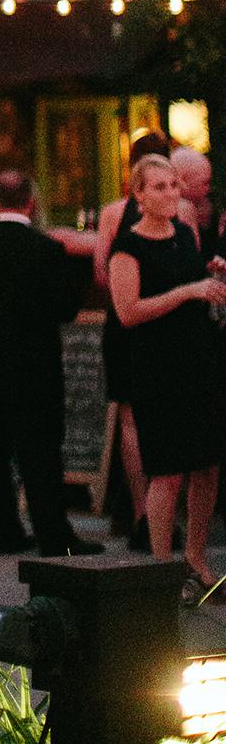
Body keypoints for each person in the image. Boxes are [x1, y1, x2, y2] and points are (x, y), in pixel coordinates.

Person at [0, 170, 102, 557]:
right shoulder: (47, 249)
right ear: (30, 202)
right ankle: (52, 533)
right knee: (42, 454)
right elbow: (66, 309)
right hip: (37, 370)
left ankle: (6, 533)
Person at [107, 153, 226, 602]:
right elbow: (128, 312)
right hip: (157, 367)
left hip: (198, 360)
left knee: (207, 465)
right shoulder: (128, 247)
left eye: (174, 185)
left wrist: (210, 276)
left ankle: (196, 557)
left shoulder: (184, 234)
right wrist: (186, 291)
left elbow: (195, 285)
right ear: (138, 195)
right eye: (159, 186)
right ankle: (162, 567)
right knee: (168, 471)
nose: (171, 193)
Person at [94, 130, 180, 549]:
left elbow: (100, 270)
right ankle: (163, 514)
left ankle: (144, 512)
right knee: (155, 413)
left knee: (131, 419)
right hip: (157, 325)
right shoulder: (177, 217)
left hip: (124, 323)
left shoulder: (113, 212)